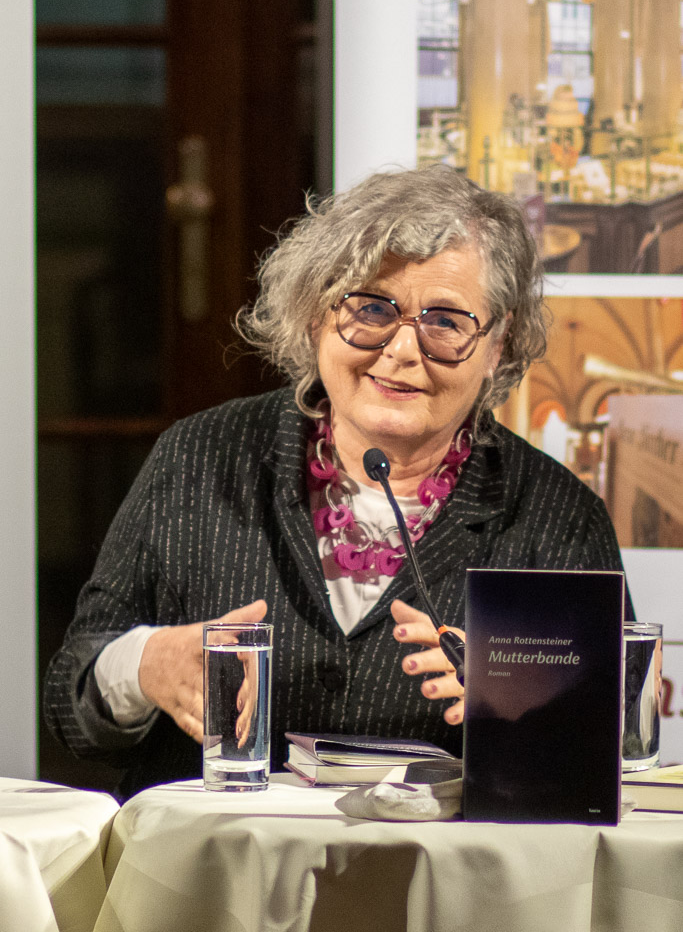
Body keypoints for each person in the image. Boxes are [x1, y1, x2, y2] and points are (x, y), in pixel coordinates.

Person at [44, 166, 632, 798]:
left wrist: (528, 708)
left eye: (445, 321)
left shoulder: (556, 517)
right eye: (371, 308)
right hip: (216, 856)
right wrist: (144, 665)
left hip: (435, 861)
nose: (401, 350)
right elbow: (69, 706)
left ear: (497, 344)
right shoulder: (201, 457)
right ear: (315, 315)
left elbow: (613, 741)